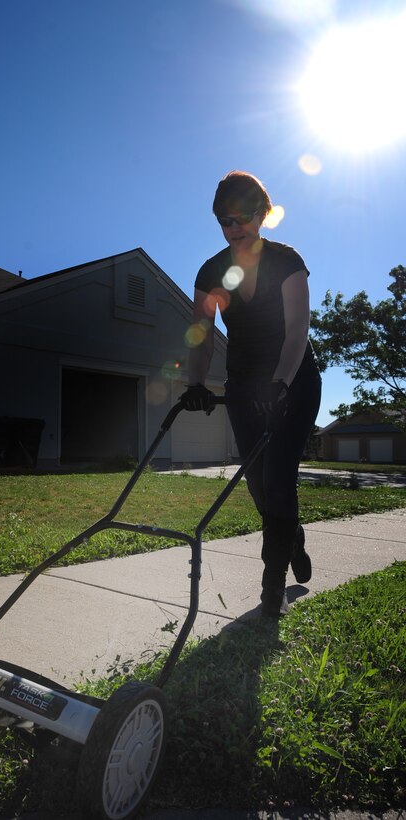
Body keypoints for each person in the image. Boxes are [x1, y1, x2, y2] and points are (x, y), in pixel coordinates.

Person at [182, 170, 321, 617]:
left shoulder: (287, 261)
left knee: (279, 478)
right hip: (244, 386)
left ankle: (271, 589)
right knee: (261, 488)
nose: (234, 227)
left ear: (262, 214)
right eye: (224, 220)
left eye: (242, 217)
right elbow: (201, 337)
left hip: (293, 381)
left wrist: (280, 382)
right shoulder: (211, 271)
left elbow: (298, 329)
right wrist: (196, 386)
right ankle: (291, 537)